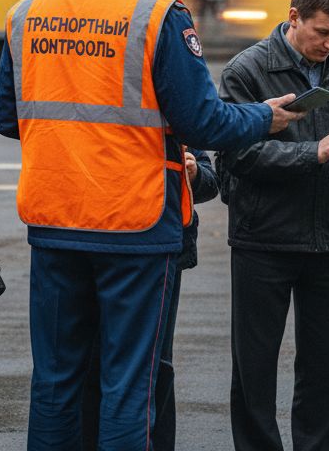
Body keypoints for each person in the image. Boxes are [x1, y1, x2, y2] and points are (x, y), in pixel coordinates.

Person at [0, 0, 304, 450]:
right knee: (128, 384)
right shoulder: (159, 12)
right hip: (132, 225)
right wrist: (264, 118)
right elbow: (204, 122)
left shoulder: (28, 10)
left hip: (56, 219)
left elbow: (6, 118)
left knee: (56, 381)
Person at [218, 0, 329, 451]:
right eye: (321, 33)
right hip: (262, 240)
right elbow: (236, 157)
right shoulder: (247, 71)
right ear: (294, 18)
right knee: (254, 369)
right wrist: (312, 153)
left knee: (325, 368)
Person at [80, 147, 217, 451]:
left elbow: (210, 180)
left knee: (157, 366)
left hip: (163, 249)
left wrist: (193, 172)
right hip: (103, 240)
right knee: (97, 363)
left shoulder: (177, 106)